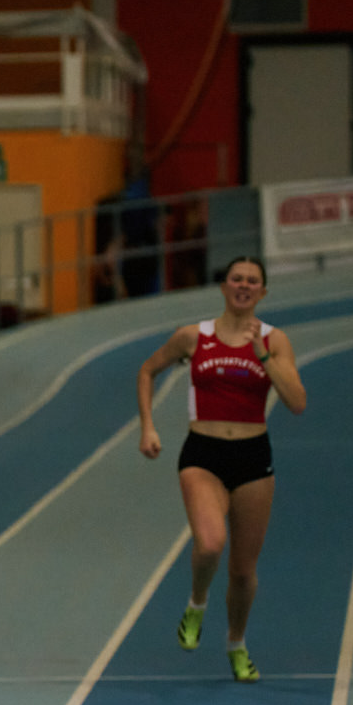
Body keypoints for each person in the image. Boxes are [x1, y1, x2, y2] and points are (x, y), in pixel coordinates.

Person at [136, 256, 307, 683]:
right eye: (237, 279)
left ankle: (236, 643)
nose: (243, 285)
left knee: (243, 571)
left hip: (253, 457)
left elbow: (297, 402)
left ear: (262, 292)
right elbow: (147, 370)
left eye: (252, 281)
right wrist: (148, 426)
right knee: (211, 544)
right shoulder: (193, 336)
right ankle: (197, 604)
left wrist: (263, 355)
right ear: (224, 286)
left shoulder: (275, 340)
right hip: (203, 454)